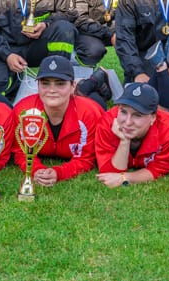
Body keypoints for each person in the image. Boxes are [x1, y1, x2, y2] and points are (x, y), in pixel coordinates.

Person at [10, 55, 102, 186]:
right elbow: (20, 152)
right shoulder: (23, 111)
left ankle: (97, 83)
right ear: (38, 85)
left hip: (89, 103)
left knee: (96, 98)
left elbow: (86, 158)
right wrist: (36, 169)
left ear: (73, 86)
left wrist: (59, 172)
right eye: (45, 83)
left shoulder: (89, 113)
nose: (52, 90)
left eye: (60, 84)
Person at [94, 82, 169, 187]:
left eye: (137, 115)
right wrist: (124, 141)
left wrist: (126, 178)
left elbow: (160, 168)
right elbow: (109, 173)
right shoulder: (107, 122)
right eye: (123, 112)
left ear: (153, 117)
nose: (127, 122)